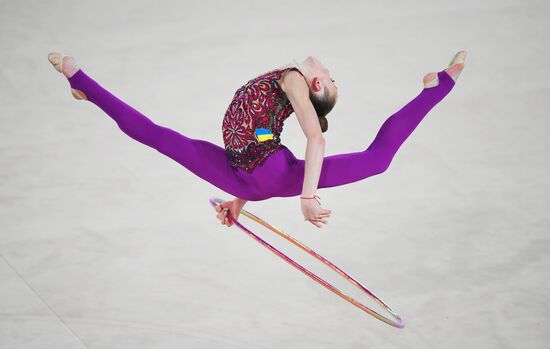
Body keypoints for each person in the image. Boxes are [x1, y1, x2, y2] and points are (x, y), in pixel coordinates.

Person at [47, 51, 466, 229]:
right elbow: (258, 143)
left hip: (259, 173)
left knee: (377, 160)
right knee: (160, 137)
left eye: (331, 80)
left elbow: (316, 139)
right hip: (243, 173)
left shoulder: (295, 83)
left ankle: (438, 89)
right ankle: (82, 83)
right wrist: (240, 199)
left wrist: (307, 196)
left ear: (316, 83)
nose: (329, 72)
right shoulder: (286, 87)